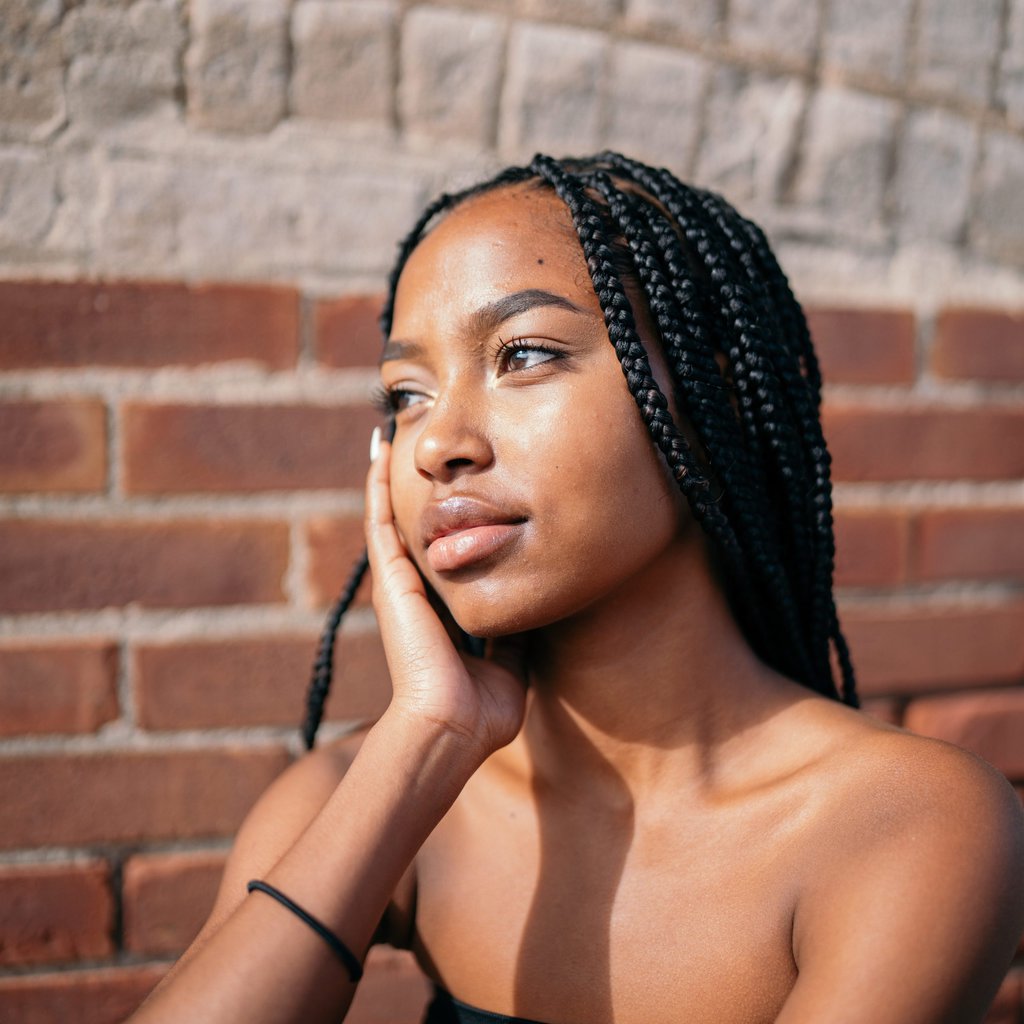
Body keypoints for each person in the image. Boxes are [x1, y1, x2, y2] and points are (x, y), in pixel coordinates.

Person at [129, 153, 1024, 1024]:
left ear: (709, 405)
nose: (438, 443)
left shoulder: (907, 826)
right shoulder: (366, 791)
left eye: (522, 354)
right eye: (406, 394)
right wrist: (423, 744)